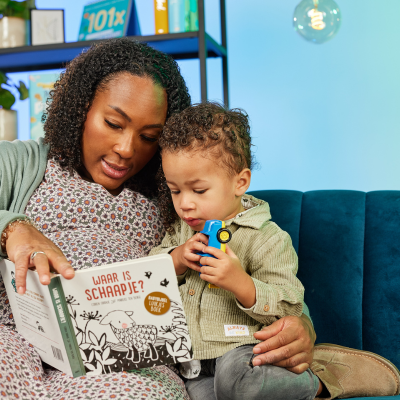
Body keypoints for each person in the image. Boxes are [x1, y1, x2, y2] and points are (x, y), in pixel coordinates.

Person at [0, 38, 397, 399]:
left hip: (128, 355)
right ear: (81, 108)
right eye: (114, 123)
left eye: (149, 136)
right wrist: (14, 229)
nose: (125, 149)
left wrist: (302, 330)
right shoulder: (23, 163)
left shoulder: (174, 193)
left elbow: (267, 263)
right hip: (18, 338)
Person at [149, 102, 400, 400]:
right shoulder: (181, 231)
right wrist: (175, 259)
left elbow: (290, 306)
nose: (185, 204)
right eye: (175, 190)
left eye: (199, 190)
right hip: (193, 367)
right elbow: (148, 274)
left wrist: (241, 283)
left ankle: (322, 381)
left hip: (245, 356)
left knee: (237, 380)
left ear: (240, 182)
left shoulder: (267, 238)